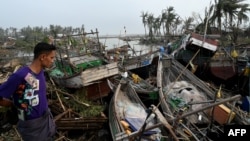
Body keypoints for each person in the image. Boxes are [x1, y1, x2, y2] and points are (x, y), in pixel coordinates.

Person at [0, 42, 57, 141]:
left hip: (46, 119)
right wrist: (12, 104)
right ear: (43, 57)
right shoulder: (20, 75)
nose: (53, 61)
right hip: (31, 126)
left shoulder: (41, 72)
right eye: (51, 58)